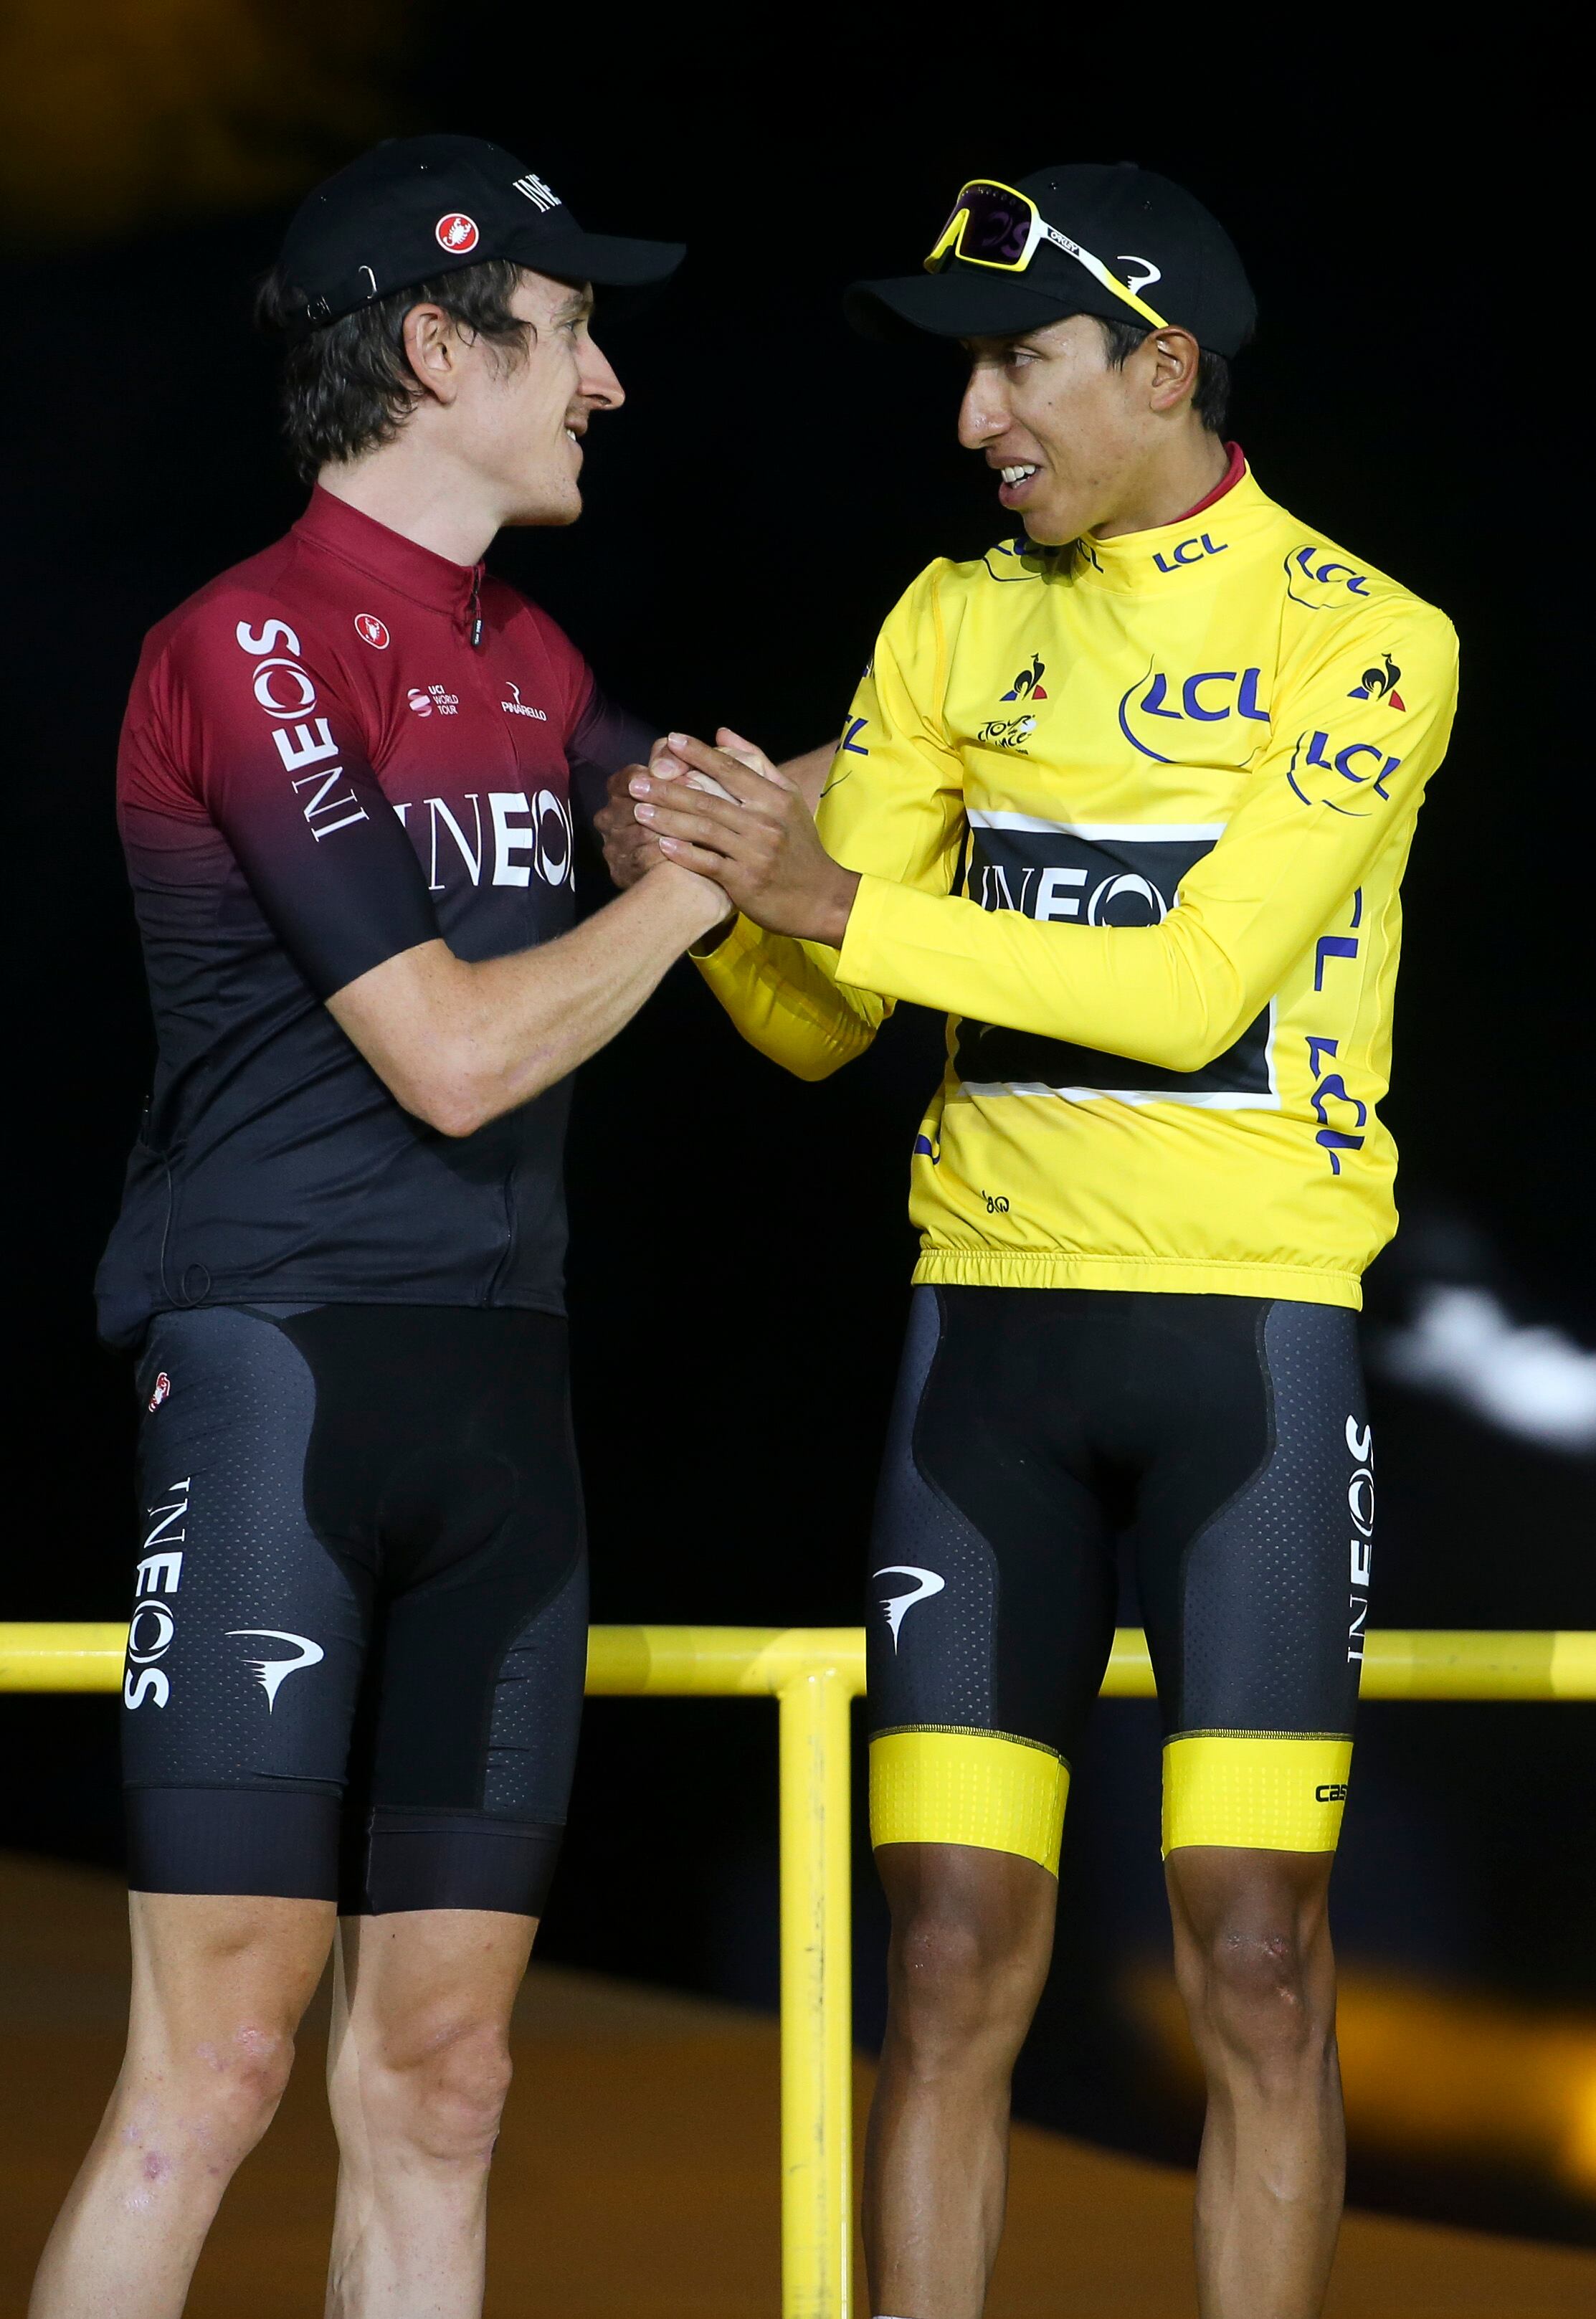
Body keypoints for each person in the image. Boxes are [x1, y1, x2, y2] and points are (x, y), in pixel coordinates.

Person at [601, 162, 1457, 2319]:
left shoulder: (1367, 635)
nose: (976, 414)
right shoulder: (949, 616)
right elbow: (817, 1028)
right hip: (983, 1351)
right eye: (965, 366)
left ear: (1162, 366)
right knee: (947, 1950)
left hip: (1246, 1345)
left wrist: (823, 897)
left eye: (1019, 360)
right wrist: (713, 880)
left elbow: (1185, 994)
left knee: (1251, 1950)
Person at [32, 133, 828, 2319]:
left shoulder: (535, 651)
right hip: (282, 1378)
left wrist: (931, 742)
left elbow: (775, 892)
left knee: (452, 2075)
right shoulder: (250, 643)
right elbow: (461, 1055)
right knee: (215, 2064)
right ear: (432, 342)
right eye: (570, 336)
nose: (607, 388)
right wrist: (695, 880)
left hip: (503, 1402)